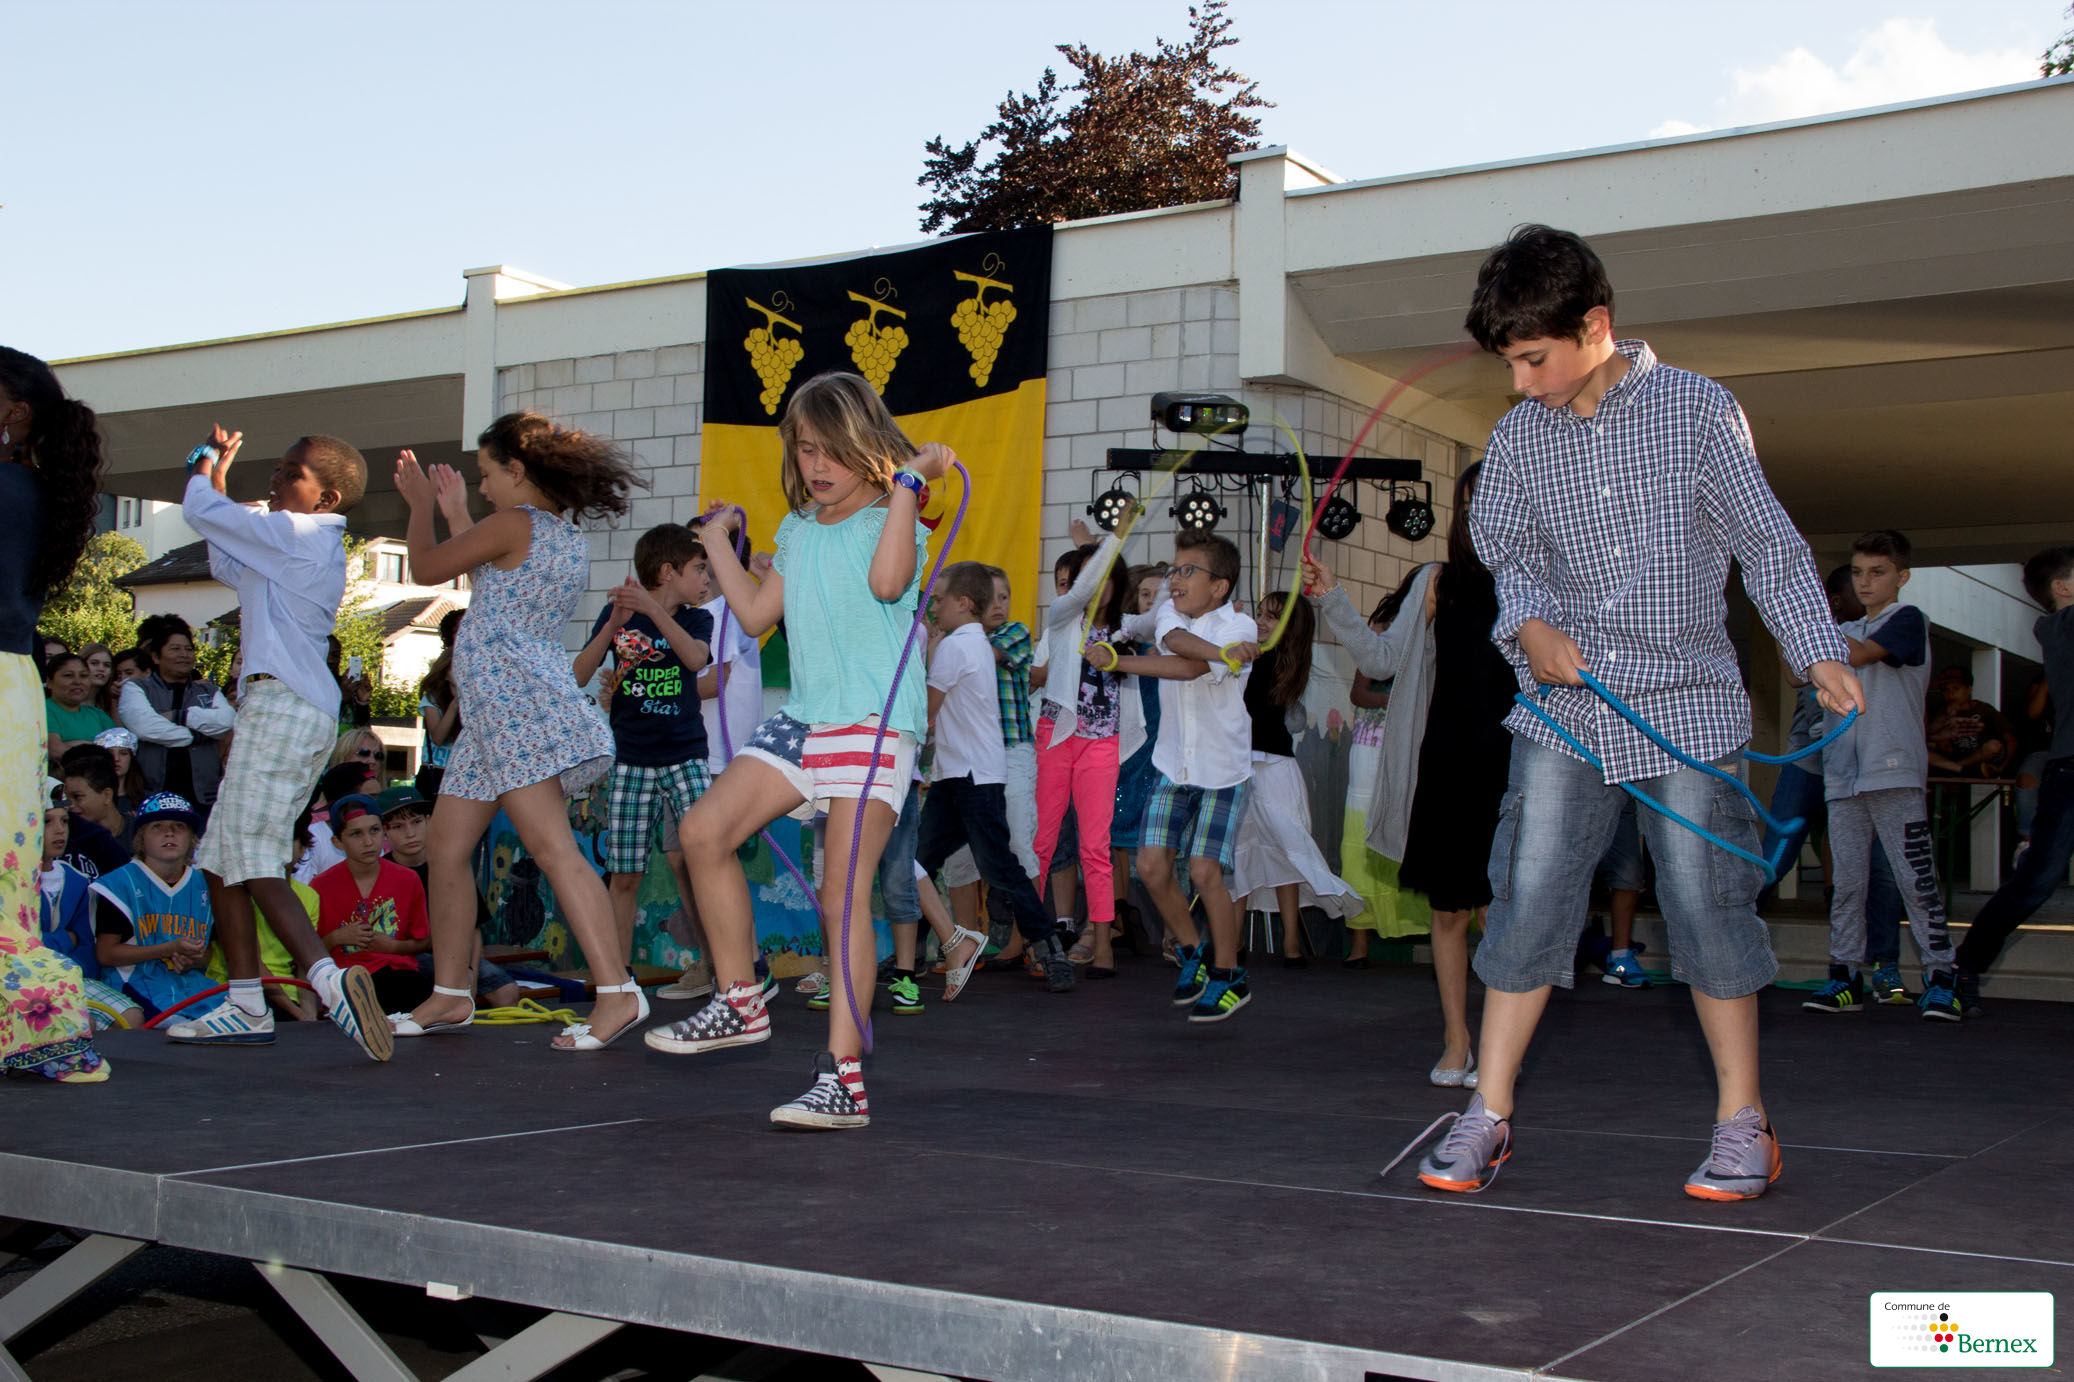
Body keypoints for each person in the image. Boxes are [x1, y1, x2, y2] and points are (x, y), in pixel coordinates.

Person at [1413, 225, 1860, 1201]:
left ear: (1596, 325)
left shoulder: (1698, 409)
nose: (1520, 382)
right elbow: (1505, 549)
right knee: (1527, 896)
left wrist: (1815, 647)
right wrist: (1530, 622)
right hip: (1564, 714)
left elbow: (1766, 540)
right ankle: (1486, 1112)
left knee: (1706, 904)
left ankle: (1743, 1124)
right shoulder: (1519, 438)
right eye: (1508, 363)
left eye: (1534, 358)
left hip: (1688, 708)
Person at [648, 371, 949, 1131]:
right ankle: (741, 999)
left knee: (842, 895)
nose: (816, 464)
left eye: (832, 449)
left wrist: (908, 484)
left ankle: (843, 1080)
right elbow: (753, 616)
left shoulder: (893, 514)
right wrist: (716, 541)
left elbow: (889, 583)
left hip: (873, 722)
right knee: (702, 831)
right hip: (807, 717)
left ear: (868, 444)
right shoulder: (799, 528)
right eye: (806, 449)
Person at [388, 414, 636, 1052]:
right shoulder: (555, 534)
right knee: (446, 847)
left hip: (510, 709)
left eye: (486, 474)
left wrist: (420, 506)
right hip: (496, 712)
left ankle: (617, 992)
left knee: (553, 848)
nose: (482, 487)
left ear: (517, 470)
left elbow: (426, 569)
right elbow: (495, 584)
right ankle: (451, 991)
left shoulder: (514, 523)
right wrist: (455, 514)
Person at [152, 425, 391, 1058]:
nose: (277, 479)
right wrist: (218, 484)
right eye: (280, 470)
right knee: (220, 859)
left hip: (284, 707)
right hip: (277, 706)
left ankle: (328, 979)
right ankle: (246, 1004)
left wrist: (204, 466)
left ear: (327, 498)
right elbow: (224, 556)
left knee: (253, 857)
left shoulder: (300, 535)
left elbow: (202, 512)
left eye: (292, 473)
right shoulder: (289, 542)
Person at [1307, 463, 1517, 1086]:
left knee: (1502, 912)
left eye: (1499, 500)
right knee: (1450, 911)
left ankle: (1500, 1048)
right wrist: (1334, 599)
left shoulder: (1542, 581)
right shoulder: (1437, 581)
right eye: (1473, 503)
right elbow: (1380, 660)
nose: (1484, 514)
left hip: (1520, 762)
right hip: (1448, 762)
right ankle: (1457, 1040)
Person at [1088, 533, 1260, 1022]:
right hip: (1173, 764)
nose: (1174, 580)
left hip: (1223, 769)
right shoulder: (1171, 614)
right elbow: (1177, 650)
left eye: (1188, 571)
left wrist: (1218, 654)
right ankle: (1192, 951)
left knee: (1205, 873)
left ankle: (1229, 974)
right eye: (1173, 570)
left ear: (1220, 586)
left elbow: (1187, 669)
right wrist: (1224, 654)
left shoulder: (1240, 623)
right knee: (1151, 867)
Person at [0, 347, 109, 1080]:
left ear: (14, 413)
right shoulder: (37, 493)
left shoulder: (8, 489)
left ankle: (45, 1030)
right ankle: (38, 1031)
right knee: (7, 877)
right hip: (13, 686)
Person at [1804, 531, 1961, 1021]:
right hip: (1843, 776)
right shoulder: (1845, 627)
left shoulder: (1908, 619)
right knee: (1847, 885)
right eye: (1857, 572)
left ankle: (1942, 978)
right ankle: (1845, 976)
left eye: (1878, 572)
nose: (1865, 582)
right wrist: (1803, 635)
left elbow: (1857, 655)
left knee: (1915, 880)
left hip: (1893, 772)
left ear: (1902, 576)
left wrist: (1808, 629)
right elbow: (1796, 672)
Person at [914, 561, 1072, 994]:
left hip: (970, 777)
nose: (933, 607)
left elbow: (926, 711)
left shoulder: (957, 646)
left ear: (963, 603)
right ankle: (910, 955)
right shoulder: (973, 643)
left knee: (997, 866)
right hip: (959, 775)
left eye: (939, 599)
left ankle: (1049, 948)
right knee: (920, 863)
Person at [572, 523, 713, 967]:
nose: (706, 579)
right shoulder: (618, 615)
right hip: (631, 758)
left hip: (685, 756)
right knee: (625, 875)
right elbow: (578, 675)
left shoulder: (696, 618)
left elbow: (695, 658)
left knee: (704, 862)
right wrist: (612, 626)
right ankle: (618, 975)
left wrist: (653, 609)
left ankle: (720, 967)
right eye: (699, 568)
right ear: (669, 571)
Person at [1955, 546, 2074, 1016]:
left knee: (2037, 879)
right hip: (2069, 772)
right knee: (2038, 880)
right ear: (2062, 588)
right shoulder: (2058, 626)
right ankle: (1966, 966)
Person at [1230, 589, 1362, 964]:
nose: (1260, 621)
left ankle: (1290, 941)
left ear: (1290, 628)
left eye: (1271, 617)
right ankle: (1233, 940)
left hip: (1274, 765)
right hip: (1239, 763)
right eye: (1259, 614)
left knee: (1288, 849)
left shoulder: (1282, 663)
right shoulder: (1244, 653)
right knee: (1238, 852)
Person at [1032, 525, 1130, 973]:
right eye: (1089, 575)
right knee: (1043, 840)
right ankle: (1031, 937)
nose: (1096, 584)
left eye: (1106, 576)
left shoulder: (1125, 629)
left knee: (1095, 845)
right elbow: (1077, 594)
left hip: (1101, 741)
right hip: (1057, 735)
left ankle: (1103, 943)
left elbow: (1158, 619)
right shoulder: (1062, 617)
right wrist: (1112, 539)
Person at [1339, 575, 1432, 966]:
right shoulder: (1380, 631)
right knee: (1360, 839)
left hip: (1412, 746)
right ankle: (1359, 944)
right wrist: (1394, 701)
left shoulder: (1434, 636)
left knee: (1411, 834)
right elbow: (1358, 692)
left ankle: (1435, 935)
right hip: (1370, 747)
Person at [375, 785, 521, 1008]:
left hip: (456, 956)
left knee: (507, 991)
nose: (410, 833)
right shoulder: (379, 873)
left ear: (429, 821)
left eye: (416, 822)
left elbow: (473, 928)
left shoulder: (449, 865)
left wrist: (471, 973)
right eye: (398, 827)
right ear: (384, 832)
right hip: (404, 960)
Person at [91, 792, 216, 1020]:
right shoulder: (119, 883)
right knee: (180, 1025)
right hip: (132, 983)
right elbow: (106, 954)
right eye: (157, 826)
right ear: (141, 837)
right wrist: (168, 948)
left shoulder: (206, 885)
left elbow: (210, 953)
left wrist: (194, 959)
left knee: (233, 1020)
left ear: (192, 837)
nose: (169, 833)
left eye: (179, 826)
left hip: (191, 983)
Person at [312, 794, 434, 1014]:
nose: (368, 842)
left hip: (400, 978)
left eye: (374, 831)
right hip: (345, 981)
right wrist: (335, 938)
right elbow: (309, 952)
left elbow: (424, 941)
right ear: (337, 842)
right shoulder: (320, 886)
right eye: (356, 834)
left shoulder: (407, 879)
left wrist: (393, 947)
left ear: (384, 832)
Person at [39, 790, 143, 1030]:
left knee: (132, 1017)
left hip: (72, 974)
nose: (60, 830)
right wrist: (66, 938)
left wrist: (66, 968)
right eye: (47, 822)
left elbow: (86, 943)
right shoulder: (12, 880)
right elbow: (23, 943)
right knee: (82, 1023)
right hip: (26, 979)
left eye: (64, 821)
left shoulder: (77, 880)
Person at [119, 613, 233, 816]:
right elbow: (146, 727)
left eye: (189, 649)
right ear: (156, 657)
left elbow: (227, 721)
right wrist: (197, 735)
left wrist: (179, 716)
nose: (184, 654)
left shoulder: (209, 691)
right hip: (151, 795)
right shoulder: (136, 688)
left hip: (203, 799)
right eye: (175, 649)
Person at [1926, 666, 2014, 780]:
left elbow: (2011, 741)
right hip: (1955, 758)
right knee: (1924, 749)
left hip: (1980, 759)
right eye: (1945, 690)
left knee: (1993, 746)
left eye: (1956, 688)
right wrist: (1948, 717)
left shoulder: (1984, 709)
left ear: (1969, 689)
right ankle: (1958, 770)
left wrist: (2002, 768)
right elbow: (1939, 744)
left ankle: (1955, 769)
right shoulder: (1942, 711)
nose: (1950, 694)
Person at [45, 651, 116, 766]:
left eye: (83, 676)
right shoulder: (43, 710)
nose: (77, 682)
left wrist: (74, 745)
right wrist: (96, 748)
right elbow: (54, 750)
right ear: (49, 682)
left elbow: (118, 752)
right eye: (68, 675)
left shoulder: (98, 715)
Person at [59, 744, 134, 853]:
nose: (70, 805)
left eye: (77, 796)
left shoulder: (141, 833)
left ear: (107, 795)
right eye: (66, 798)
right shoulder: (64, 838)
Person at [418, 607, 464, 769]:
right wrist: (455, 704)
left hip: (463, 771)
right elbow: (438, 738)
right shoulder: (432, 698)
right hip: (437, 770)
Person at [93, 726, 145, 811]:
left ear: (131, 759)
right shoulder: (92, 799)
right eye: (110, 753)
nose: (116, 758)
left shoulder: (144, 801)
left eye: (123, 753)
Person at [81, 642, 118, 716]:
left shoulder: (109, 702)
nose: (101, 669)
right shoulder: (67, 701)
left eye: (107, 665)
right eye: (94, 663)